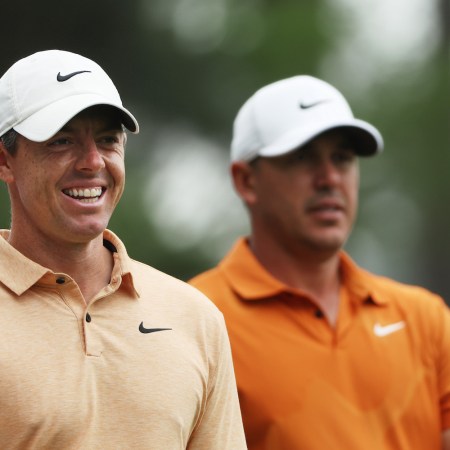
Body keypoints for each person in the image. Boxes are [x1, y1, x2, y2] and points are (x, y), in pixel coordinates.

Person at [0, 49, 246, 450]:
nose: (92, 161)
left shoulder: (196, 319)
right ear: (4, 161)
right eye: (62, 141)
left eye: (108, 140)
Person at [189, 75, 450, 450]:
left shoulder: (425, 319)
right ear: (246, 181)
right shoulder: (194, 320)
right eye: (302, 158)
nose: (329, 179)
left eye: (342, 158)